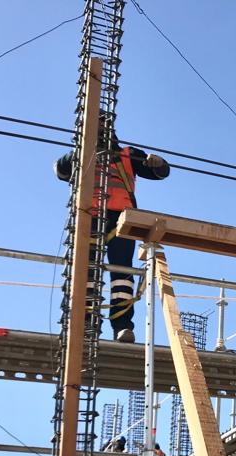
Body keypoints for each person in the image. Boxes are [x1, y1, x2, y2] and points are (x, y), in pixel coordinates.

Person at [55, 118, 170, 342]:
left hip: (121, 219)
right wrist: (79, 151)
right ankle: (86, 323)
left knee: (122, 274)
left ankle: (122, 326)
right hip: (89, 217)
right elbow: (61, 171)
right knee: (86, 271)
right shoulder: (82, 154)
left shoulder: (127, 154)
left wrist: (158, 163)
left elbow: (159, 172)